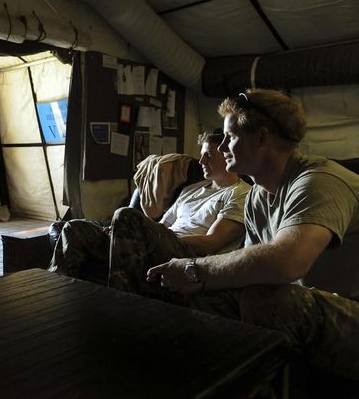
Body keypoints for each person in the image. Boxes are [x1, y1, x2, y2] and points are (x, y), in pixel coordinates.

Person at [147, 89, 359, 379]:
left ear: (261, 138)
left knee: (266, 301)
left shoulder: (319, 182)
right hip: (311, 307)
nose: (222, 148)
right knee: (198, 295)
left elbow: (286, 262)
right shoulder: (258, 196)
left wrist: (194, 270)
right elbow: (247, 268)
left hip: (349, 313)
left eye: (230, 137)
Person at [50, 130, 251, 294]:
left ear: (228, 156)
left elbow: (213, 242)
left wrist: (146, 234)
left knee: (126, 214)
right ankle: (56, 293)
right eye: (202, 155)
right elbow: (162, 223)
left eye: (208, 155)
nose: (201, 161)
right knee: (74, 228)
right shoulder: (193, 189)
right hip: (159, 242)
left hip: (186, 252)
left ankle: (122, 299)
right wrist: (126, 232)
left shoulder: (240, 194)